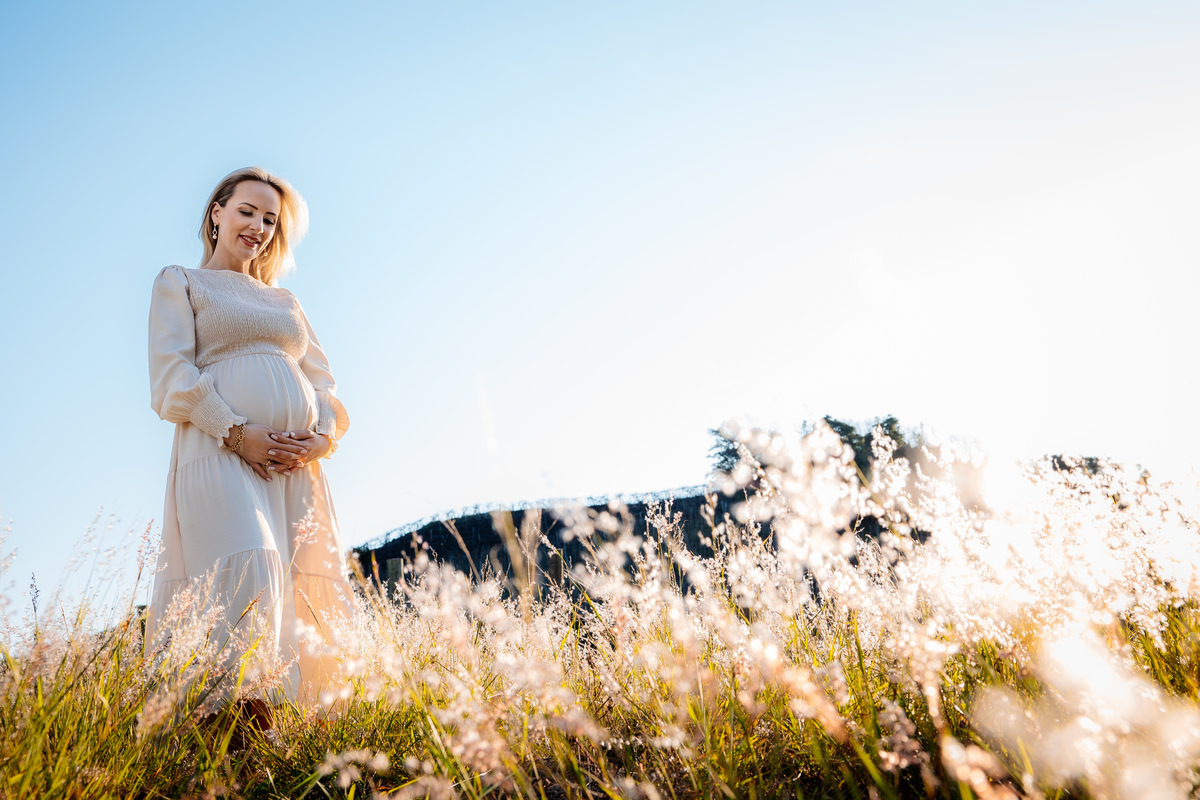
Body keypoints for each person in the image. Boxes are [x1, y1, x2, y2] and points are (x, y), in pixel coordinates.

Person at [145, 167, 352, 708]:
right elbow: (172, 380)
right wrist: (237, 434)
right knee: (248, 575)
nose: (259, 226)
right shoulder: (180, 281)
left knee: (299, 595)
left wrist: (321, 440)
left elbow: (324, 383)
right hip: (217, 452)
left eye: (270, 219)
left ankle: (287, 750)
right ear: (217, 212)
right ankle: (227, 746)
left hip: (295, 469)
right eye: (247, 211)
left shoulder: (286, 302)